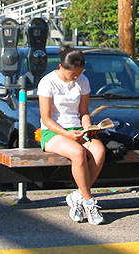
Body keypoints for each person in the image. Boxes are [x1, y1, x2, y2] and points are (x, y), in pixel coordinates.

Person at [37, 47, 106, 224]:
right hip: (53, 131)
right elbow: (46, 118)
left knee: (99, 151)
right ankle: (89, 202)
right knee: (78, 153)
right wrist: (66, 133)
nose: (76, 77)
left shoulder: (83, 81)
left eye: (79, 73)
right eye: (73, 74)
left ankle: (78, 196)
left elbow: (84, 112)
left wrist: (88, 128)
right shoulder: (47, 82)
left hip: (76, 128)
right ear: (61, 67)